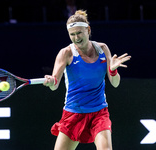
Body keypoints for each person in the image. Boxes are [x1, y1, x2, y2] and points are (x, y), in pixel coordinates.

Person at [43, 10, 131, 150]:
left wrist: (113, 70)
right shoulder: (66, 53)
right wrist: (50, 81)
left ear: (88, 30)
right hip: (73, 113)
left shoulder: (102, 49)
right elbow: (54, 84)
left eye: (79, 32)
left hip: (99, 112)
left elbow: (115, 83)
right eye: (72, 34)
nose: (76, 37)